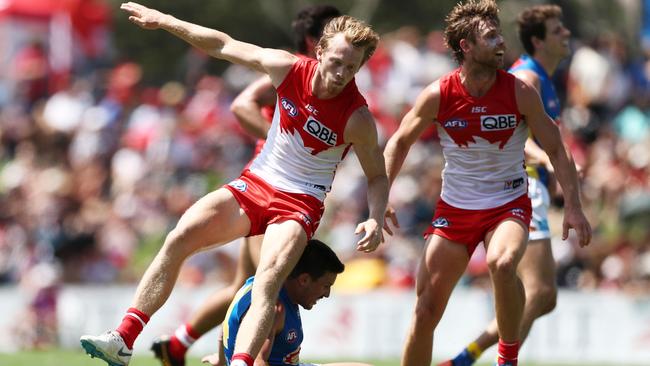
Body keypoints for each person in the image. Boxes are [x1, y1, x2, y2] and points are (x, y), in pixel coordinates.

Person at [81, 3, 389, 366]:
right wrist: (165, 21)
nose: (340, 73)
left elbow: (377, 175)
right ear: (319, 51)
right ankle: (123, 339)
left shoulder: (357, 117)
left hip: (299, 204)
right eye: (336, 61)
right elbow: (222, 45)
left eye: (351, 67)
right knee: (179, 237)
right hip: (256, 183)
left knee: (267, 283)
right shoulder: (287, 68)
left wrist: (375, 215)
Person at [382, 1, 591, 366]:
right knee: (425, 311)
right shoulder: (438, 94)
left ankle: (506, 358)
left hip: (507, 205)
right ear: (466, 46)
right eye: (490, 36)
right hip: (455, 210)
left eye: (499, 35)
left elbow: (557, 148)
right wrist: (379, 195)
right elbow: (399, 141)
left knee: (503, 262)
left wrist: (573, 206)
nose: (500, 43)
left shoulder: (520, 90)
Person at [149, 5, 342, 366]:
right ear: (317, 41)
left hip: (286, 190)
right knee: (268, 285)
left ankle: (180, 344)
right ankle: (233, 359)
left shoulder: (332, 85)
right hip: (273, 189)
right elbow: (242, 105)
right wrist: (286, 137)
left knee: (248, 282)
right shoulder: (295, 70)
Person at [441, 5, 574, 365]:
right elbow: (511, 130)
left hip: (532, 186)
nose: (566, 34)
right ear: (538, 41)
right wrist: (542, 156)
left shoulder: (543, 79)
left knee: (542, 294)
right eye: (557, 29)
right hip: (521, 186)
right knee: (541, 291)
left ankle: (470, 357)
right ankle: (488, 358)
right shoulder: (523, 77)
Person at [201, 239, 371, 366]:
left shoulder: (262, 285)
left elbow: (226, 328)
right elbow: (258, 362)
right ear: (304, 279)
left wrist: (222, 360)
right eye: (326, 286)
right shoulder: (273, 308)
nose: (327, 294)